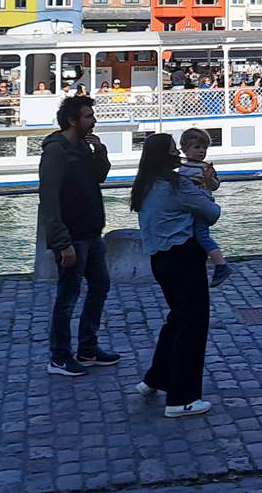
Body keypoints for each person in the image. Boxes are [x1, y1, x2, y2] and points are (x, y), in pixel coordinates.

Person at [130, 131, 220, 418]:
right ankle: (181, 397)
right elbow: (211, 211)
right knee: (193, 325)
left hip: (160, 259)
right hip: (184, 257)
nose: (177, 154)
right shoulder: (177, 184)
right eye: (173, 149)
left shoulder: (143, 186)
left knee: (177, 319)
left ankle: (156, 377)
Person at [38, 95, 117, 377]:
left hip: (91, 233)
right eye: (88, 116)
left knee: (100, 286)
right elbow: (49, 198)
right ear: (73, 120)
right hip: (73, 237)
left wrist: (101, 153)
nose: (93, 120)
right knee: (67, 296)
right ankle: (59, 356)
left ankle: (88, 348)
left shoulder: (83, 146)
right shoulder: (56, 151)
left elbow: (99, 177)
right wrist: (62, 242)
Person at [177, 128, 232, 285]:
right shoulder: (182, 167)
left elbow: (215, 186)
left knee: (202, 235)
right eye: (197, 147)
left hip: (201, 207)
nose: (201, 151)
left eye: (204, 148)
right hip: (189, 207)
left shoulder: (205, 167)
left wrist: (209, 179)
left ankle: (221, 264)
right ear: (185, 149)